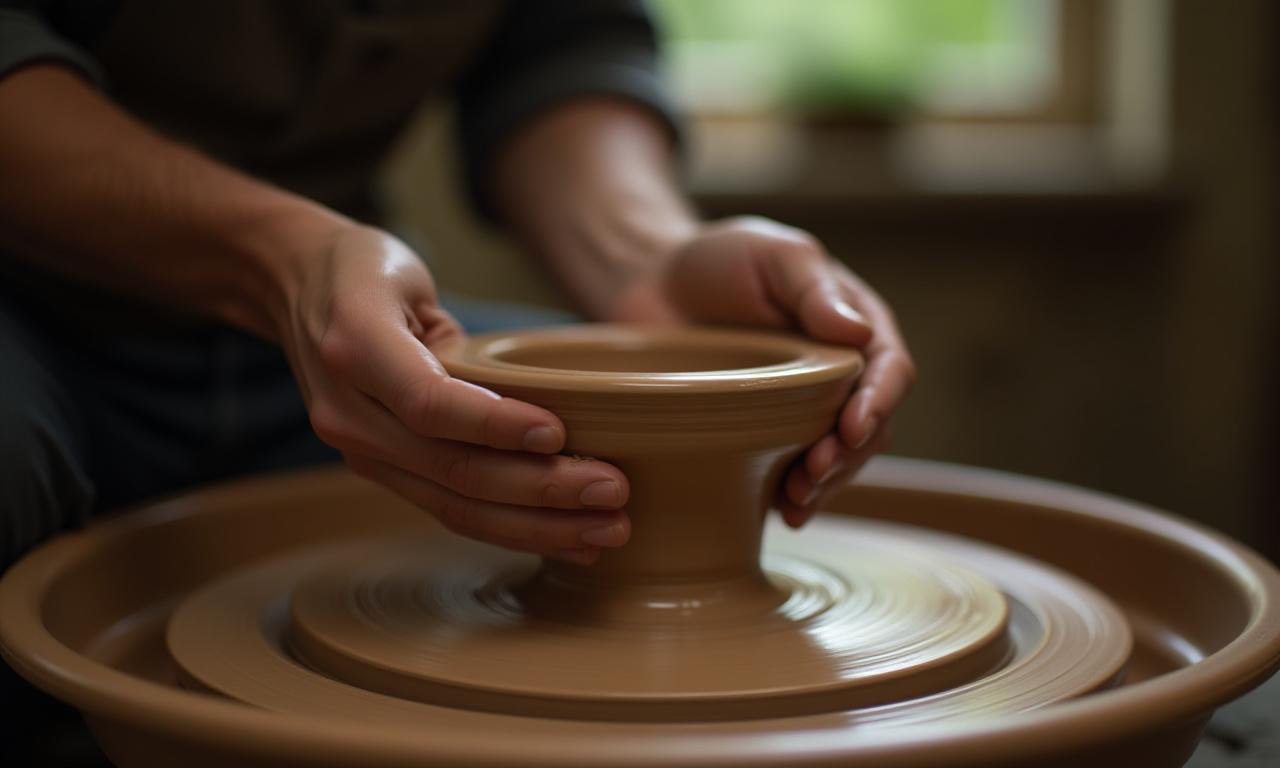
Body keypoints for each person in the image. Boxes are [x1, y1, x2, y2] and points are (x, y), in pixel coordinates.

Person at [0, 0, 913, 573]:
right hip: (35, 304)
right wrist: (282, 255)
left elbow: (559, 41)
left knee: (608, 455)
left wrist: (646, 258)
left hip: (332, 322)